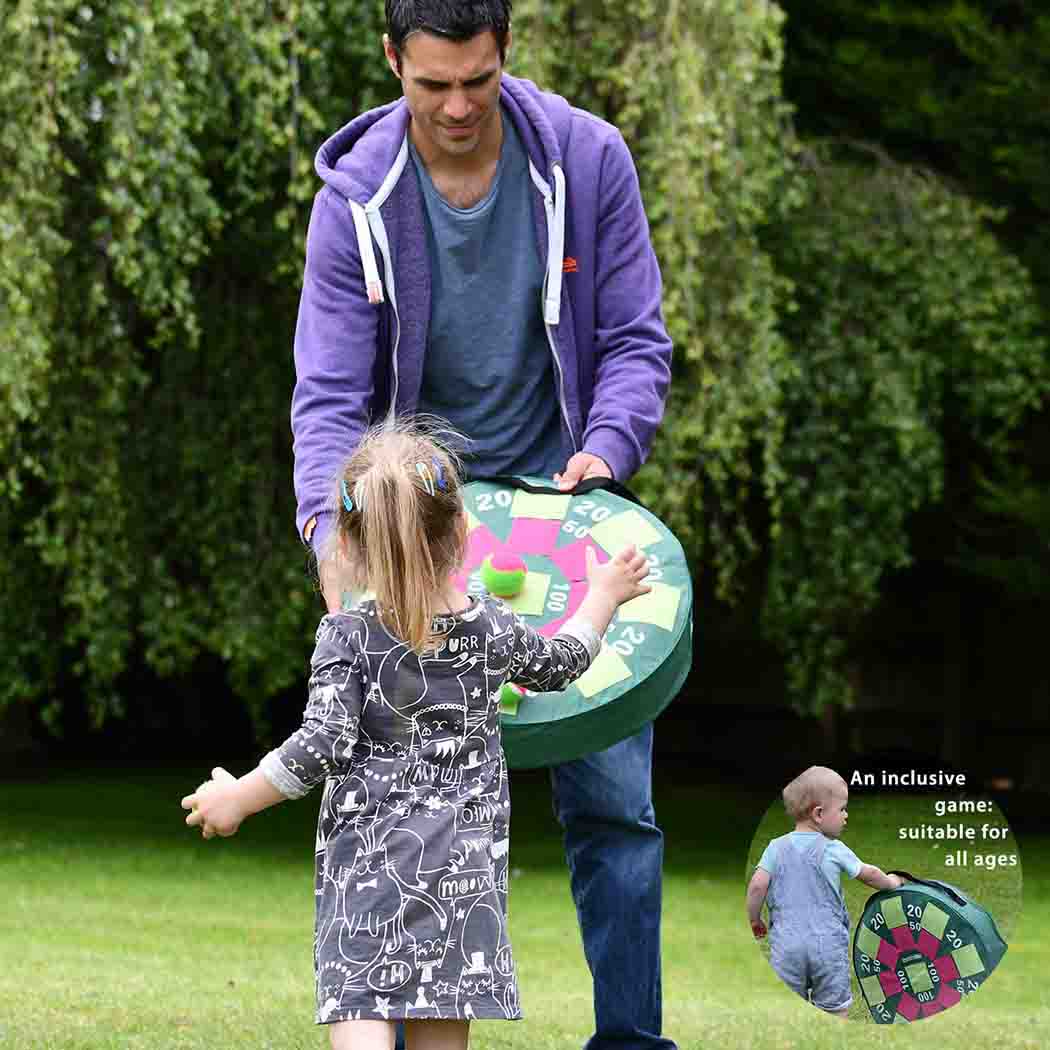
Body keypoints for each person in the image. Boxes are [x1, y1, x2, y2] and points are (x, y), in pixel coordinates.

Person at [289, 3, 675, 1049]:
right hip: (422, 537)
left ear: (506, 54)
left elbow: (636, 342)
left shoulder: (588, 160)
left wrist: (607, 448)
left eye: (479, 79)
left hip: (565, 518)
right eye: (432, 85)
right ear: (392, 61)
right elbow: (328, 399)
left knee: (615, 805)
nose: (458, 107)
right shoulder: (355, 200)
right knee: (394, 809)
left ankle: (631, 1040)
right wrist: (336, 544)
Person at [182, 418, 652, 1049]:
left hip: (367, 877)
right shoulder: (490, 627)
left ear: (349, 549)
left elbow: (321, 743)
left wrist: (238, 796)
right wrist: (603, 596)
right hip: (463, 880)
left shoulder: (347, 636)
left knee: (362, 1005)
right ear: (462, 532)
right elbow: (560, 663)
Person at [745, 766, 904, 1018]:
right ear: (818, 814)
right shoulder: (833, 848)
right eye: (842, 809)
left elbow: (757, 886)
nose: (846, 816)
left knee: (786, 1010)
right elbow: (869, 874)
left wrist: (755, 919)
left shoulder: (775, 848)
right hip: (827, 947)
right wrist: (893, 882)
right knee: (834, 1008)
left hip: (786, 947)